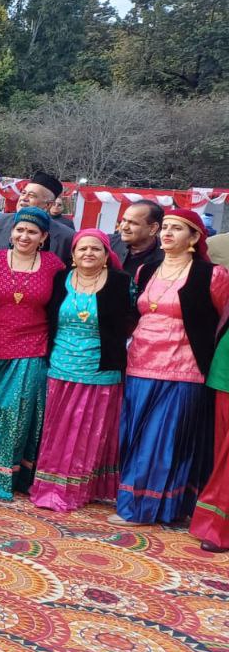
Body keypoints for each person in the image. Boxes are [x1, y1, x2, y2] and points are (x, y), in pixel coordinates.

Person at [112, 209, 229, 526]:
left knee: (161, 440)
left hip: (183, 368)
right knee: (135, 436)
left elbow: (220, 322)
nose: (167, 233)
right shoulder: (146, 272)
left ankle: (147, 508)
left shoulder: (212, 275)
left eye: (177, 229)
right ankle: (137, 501)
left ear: (193, 238)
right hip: (140, 364)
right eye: (164, 227)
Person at [29, 230, 137, 512]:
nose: (89, 253)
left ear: (105, 256)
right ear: (73, 256)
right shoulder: (59, 280)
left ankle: (80, 490)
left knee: (88, 432)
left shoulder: (120, 282)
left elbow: (133, 319)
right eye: (82, 249)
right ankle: (50, 487)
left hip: (101, 369)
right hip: (60, 366)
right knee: (57, 431)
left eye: (96, 249)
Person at [0, 207, 64, 500]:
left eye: (32, 231)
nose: (24, 236)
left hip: (31, 345)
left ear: (43, 237)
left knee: (10, 411)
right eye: (20, 230)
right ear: (11, 232)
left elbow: (58, 306)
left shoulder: (53, 266)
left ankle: (0, 477)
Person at [191, 327, 229, 552]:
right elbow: (218, 293)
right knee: (222, 456)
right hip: (225, 370)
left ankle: (218, 528)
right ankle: (216, 524)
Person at [0, 172, 74, 263]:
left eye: (31, 196)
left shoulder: (66, 237)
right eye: (23, 193)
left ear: (48, 205)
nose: (24, 198)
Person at [110, 200, 164, 279]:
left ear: (153, 228)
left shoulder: (166, 256)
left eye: (133, 223)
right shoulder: (107, 244)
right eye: (124, 220)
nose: (124, 227)